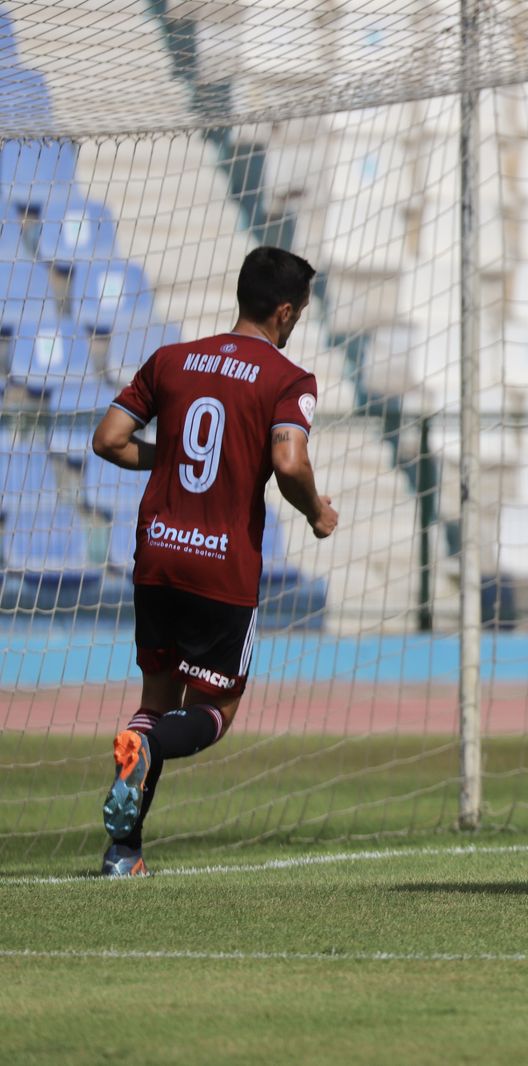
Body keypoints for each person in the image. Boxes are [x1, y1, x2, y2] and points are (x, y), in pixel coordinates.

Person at [92, 246, 338, 877]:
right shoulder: (288, 379)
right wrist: (316, 512)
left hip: (157, 556)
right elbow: (288, 462)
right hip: (221, 564)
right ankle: (145, 747)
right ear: (285, 311)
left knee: (153, 696)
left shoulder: (171, 359)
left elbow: (108, 441)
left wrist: (166, 458)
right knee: (213, 713)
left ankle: (124, 853)